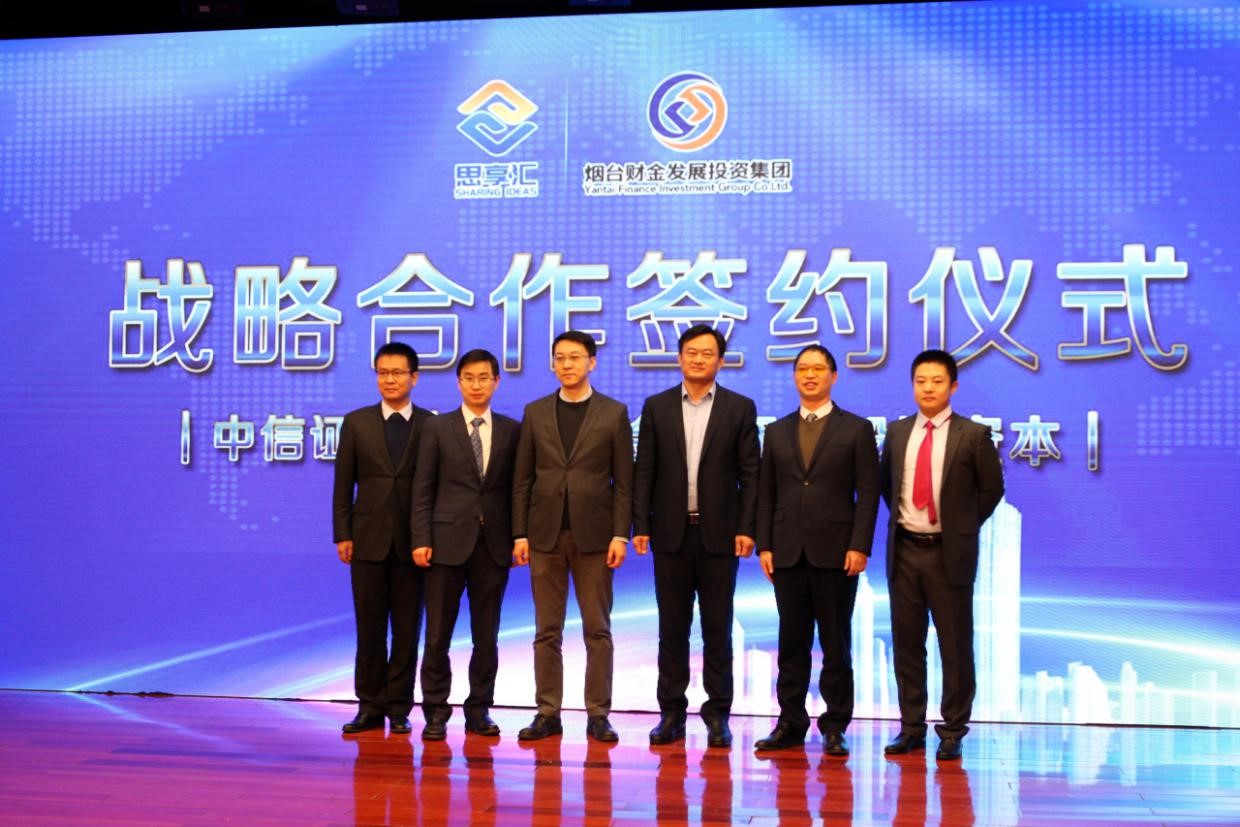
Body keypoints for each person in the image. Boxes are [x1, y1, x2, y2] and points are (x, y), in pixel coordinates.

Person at [632, 324, 759, 748]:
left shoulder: (739, 408)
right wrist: (640, 525)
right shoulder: (657, 406)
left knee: (717, 629)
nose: (698, 359)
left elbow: (750, 475)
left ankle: (718, 713)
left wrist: (746, 528)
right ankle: (671, 712)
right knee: (672, 629)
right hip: (670, 534)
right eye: (691, 352)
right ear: (679, 357)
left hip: (719, 536)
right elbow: (644, 471)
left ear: (720, 361)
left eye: (707, 353)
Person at [754, 345, 879, 756]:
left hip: (837, 553)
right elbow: (766, 493)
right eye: (803, 369)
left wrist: (859, 545)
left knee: (836, 645)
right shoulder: (776, 431)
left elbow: (867, 494)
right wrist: (765, 544)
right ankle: (790, 722)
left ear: (833, 376)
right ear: (794, 376)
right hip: (787, 551)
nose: (810, 375)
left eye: (818, 369)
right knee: (791, 643)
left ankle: (835, 725)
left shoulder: (856, 429)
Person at [880, 349, 1004, 762]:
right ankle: (911, 727)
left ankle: (952, 730)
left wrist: (960, 527)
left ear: (953, 387)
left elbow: (992, 490)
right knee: (907, 645)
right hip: (905, 552)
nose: (928, 388)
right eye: (920, 381)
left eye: (936, 381)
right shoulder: (898, 432)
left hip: (949, 554)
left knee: (954, 645)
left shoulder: (973, 434)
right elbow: (887, 486)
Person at [511, 330, 634, 742]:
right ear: (552, 363)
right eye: (560, 357)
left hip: (596, 537)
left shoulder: (613, 413)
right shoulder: (535, 412)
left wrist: (620, 534)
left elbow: (624, 482)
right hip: (544, 535)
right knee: (546, 630)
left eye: (575, 357)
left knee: (597, 629)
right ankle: (547, 712)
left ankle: (598, 714)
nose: (566, 364)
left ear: (591, 362)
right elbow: (522, 479)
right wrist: (519, 533)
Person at [411, 349, 519, 740]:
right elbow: (422, 487)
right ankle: (435, 711)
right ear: (459, 382)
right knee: (437, 634)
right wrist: (421, 538)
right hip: (444, 545)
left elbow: (517, 490)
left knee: (486, 635)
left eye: (484, 377)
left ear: (496, 382)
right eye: (469, 378)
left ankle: (479, 709)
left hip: (493, 546)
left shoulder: (512, 430)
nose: (476, 385)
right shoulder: (436, 428)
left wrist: (518, 537)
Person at [332, 342, 431, 735]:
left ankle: (399, 707)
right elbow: (343, 484)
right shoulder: (357, 422)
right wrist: (343, 532)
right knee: (369, 628)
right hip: (367, 541)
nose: (389, 379)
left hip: (413, 544)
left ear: (414, 377)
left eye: (398, 372)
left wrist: (429, 536)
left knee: (407, 631)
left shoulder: (430, 425)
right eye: (383, 372)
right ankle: (369, 706)